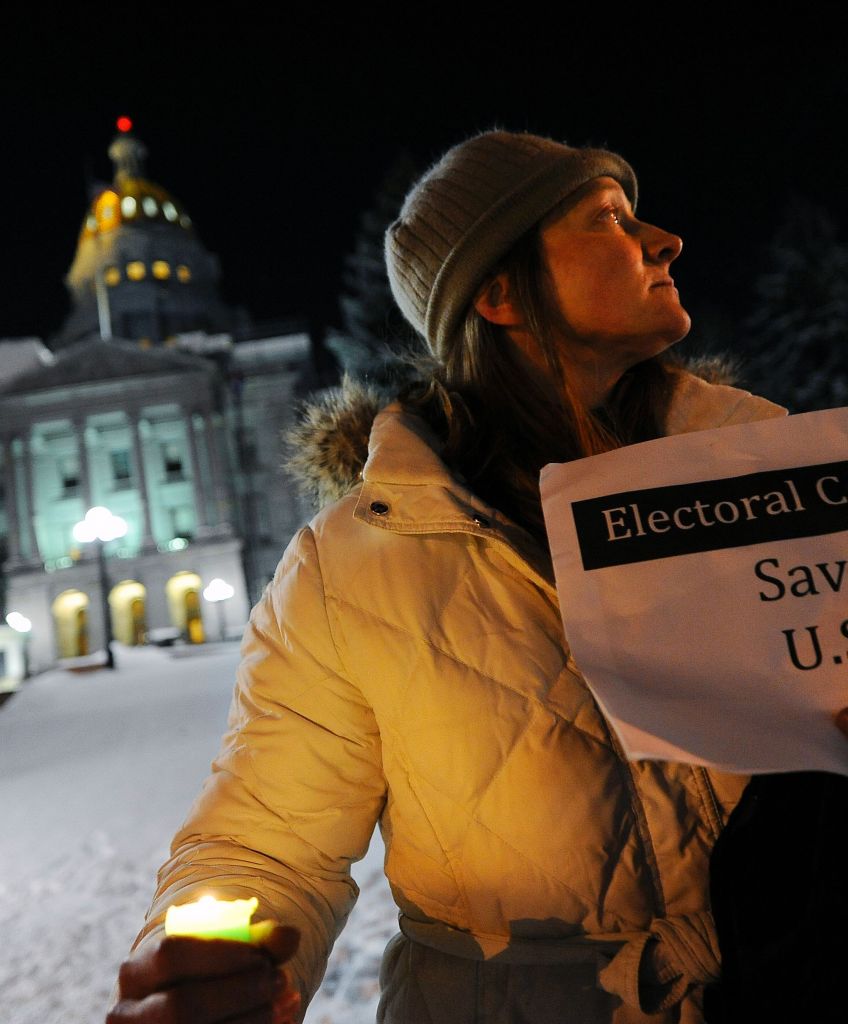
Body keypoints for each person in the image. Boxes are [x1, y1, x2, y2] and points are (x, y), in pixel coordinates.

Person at [107, 129, 848, 1024]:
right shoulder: (354, 565)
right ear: (498, 293)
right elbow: (270, 841)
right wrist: (211, 962)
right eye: (609, 220)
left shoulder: (769, 476)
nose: (665, 240)